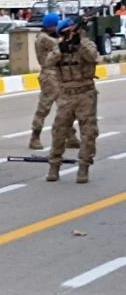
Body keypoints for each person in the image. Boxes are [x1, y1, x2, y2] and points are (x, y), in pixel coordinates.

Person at [45, 18, 99, 183]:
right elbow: (48, 62)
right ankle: (54, 166)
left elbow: (93, 57)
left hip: (85, 94)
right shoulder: (59, 48)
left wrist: (78, 43)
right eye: (64, 33)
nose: (68, 36)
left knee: (88, 133)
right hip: (66, 95)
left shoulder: (86, 44)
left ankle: (83, 168)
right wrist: (62, 49)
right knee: (59, 132)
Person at [29, 14, 79, 150]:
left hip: (59, 74)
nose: (57, 27)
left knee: (66, 107)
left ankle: (71, 136)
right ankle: (35, 137)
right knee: (44, 108)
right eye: (56, 25)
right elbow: (63, 46)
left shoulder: (51, 36)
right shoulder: (43, 38)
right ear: (50, 25)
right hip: (49, 75)